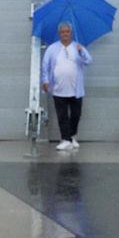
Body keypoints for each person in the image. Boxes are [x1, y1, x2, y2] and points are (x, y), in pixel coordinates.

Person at [41, 21, 92, 151]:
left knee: (76, 115)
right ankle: (65, 139)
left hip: (76, 90)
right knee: (62, 116)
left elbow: (88, 61)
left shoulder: (78, 47)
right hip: (58, 89)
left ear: (71, 33)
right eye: (63, 32)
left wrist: (81, 52)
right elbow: (45, 67)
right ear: (59, 33)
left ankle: (72, 136)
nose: (65, 34)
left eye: (67, 32)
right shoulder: (52, 48)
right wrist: (45, 81)